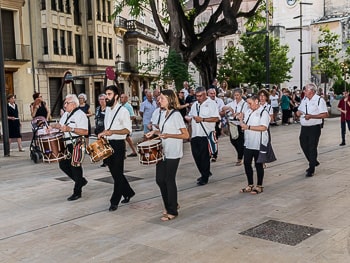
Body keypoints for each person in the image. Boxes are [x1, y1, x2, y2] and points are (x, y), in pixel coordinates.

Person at [145, 89, 189, 221]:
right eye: (159, 98)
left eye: (162, 98)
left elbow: (186, 135)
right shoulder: (163, 113)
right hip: (163, 151)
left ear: (170, 99)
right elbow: (163, 131)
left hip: (173, 152)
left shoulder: (176, 115)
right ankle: (171, 203)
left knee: (169, 180)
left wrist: (169, 135)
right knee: (160, 180)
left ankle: (172, 211)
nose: (159, 100)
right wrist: (154, 133)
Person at [98, 85, 135, 211]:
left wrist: (111, 132)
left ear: (116, 96)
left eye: (109, 94)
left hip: (118, 145)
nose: (106, 97)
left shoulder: (123, 111)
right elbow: (108, 127)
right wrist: (103, 133)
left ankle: (114, 201)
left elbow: (127, 130)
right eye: (106, 94)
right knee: (115, 173)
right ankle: (128, 192)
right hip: (108, 143)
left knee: (118, 174)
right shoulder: (108, 110)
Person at [51, 94, 89, 201]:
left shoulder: (81, 115)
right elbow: (61, 126)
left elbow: (85, 131)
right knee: (63, 165)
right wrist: (52, 127)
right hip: (66, 144)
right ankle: (80, 181)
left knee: (75, 166)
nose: (64, 105)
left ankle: (77, 191)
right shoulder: (66, 114)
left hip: (76, 142)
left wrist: (70, 129)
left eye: (66, 103)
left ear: (73, 104)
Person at [185, 87, 220, 186]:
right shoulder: (195, 105)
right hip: (195, 134)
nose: (198, 98)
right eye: (197, 96)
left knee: (204, 157)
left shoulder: (211, 104)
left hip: (206, 134)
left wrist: (203, 119)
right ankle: (205, 172)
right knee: (196, 156)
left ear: (205, 95)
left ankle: (204, 177)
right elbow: (191, 117)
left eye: (200, 96)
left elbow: (216, 118)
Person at [296, 83, 329, 177]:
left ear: (311, 91)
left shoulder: (319, 100)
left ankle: (311, 168)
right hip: (304, 127)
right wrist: (298, 112)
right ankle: (313, 161)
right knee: (303, 144)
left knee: (312, 146)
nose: (304, 91)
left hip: (314, 127)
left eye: (305, 90)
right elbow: (301, 110)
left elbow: (325, 114)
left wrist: (311, 116)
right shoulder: (305, 99)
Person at [239, 95, 270, 194]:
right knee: (247, 163)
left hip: (259, 142)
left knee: (258, 164)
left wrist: (248, 127)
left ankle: (259, 185)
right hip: (248, 142)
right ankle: (250, 184)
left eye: (250, 103)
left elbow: (263, 127)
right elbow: (244, 125)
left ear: (256, 101)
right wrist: (240, 119)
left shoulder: (263, 112)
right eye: (247, 103)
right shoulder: (248, 111)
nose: (248, 105)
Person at [221, 88, 248, 166]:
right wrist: (229, 108)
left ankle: (240, 158)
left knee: (240, 142)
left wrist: (238, 113)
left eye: (237, 95)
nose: (236, 97)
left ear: (241, 95)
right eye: (235, 95)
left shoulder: (244, 104)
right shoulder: (232, 103)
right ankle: (241, 153)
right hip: (232, 124)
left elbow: (245, 114)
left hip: (240, 124)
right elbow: (223, 108)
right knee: (233, 141)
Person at [207, 88, 225, 162]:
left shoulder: (219, 101)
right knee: (207, 138)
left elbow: (223, 111)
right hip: (207, 122)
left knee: (214, 138)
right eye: (211, 93)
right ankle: (208, 153)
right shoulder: (205, 102)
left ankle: (214, 154)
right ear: (208, 94)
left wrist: (216, 113)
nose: (213, 95)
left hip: (216, 121)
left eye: (214, 93)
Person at [95, 93, 107, 167]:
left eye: (103, 99)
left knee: (107, 145)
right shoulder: (97, 109)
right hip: (99, 129)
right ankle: (104, 161)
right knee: (101, 146)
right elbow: (96, 118)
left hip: (105, 130)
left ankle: (108, 160)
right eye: (100, 100)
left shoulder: (108, 109)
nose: (101, 101)